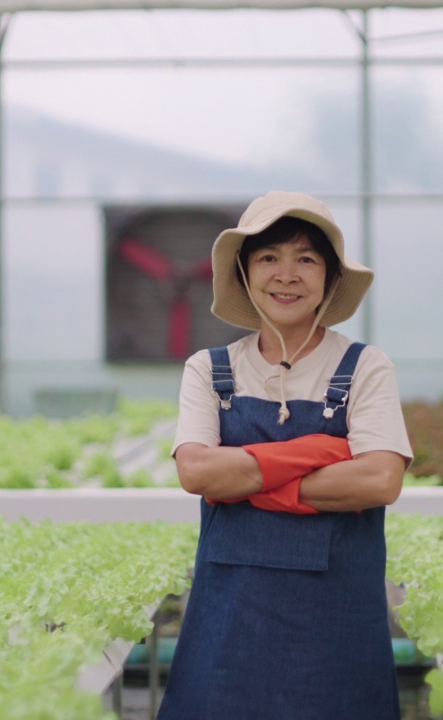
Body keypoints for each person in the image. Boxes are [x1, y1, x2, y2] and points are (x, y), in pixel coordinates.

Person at [158, 191, 413, 720]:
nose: (287, 274)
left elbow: (379, 482)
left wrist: (248, 479)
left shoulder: (364, 366)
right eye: (269, 257)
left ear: (329, 278)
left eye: (307, 259)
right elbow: (198, 472)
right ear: (246, 275)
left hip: (336, 620)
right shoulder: (209, 369)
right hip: (230, 619)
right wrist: (321, 451)